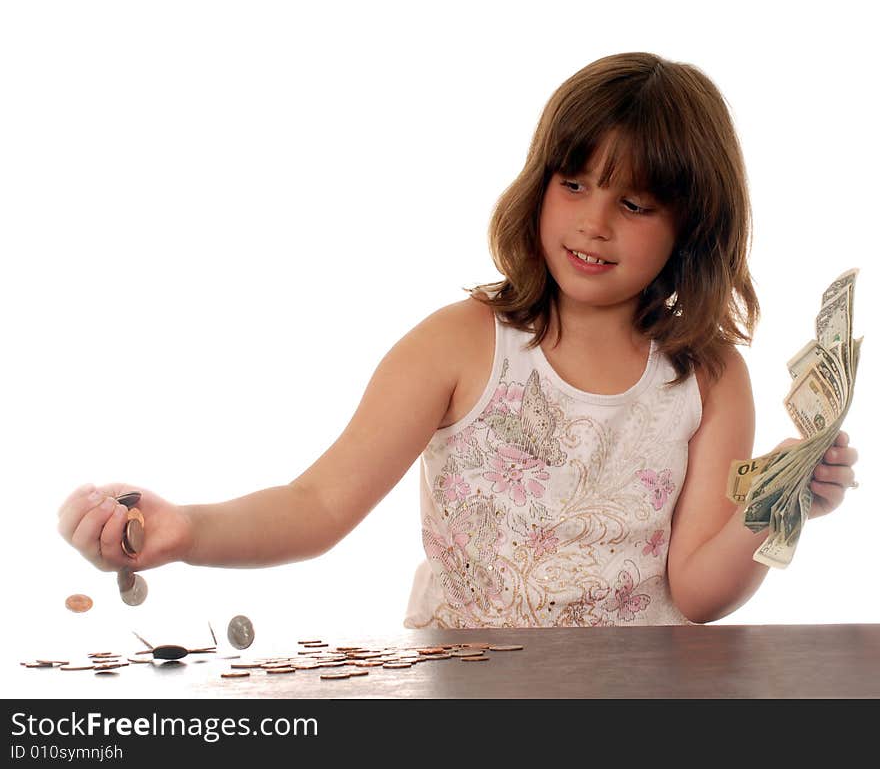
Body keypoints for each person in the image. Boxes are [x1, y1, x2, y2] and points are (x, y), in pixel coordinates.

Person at [57, 52, 859, 627]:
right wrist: (185, 531)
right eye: (573, 183)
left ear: (691, 223)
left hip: (636, 699)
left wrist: (776, 505)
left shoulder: (709, 376)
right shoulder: (462, 343)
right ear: (539, 182)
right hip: (470, 696)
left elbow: (696, 592)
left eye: (635, 204)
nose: (592, 221)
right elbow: (319, 505)